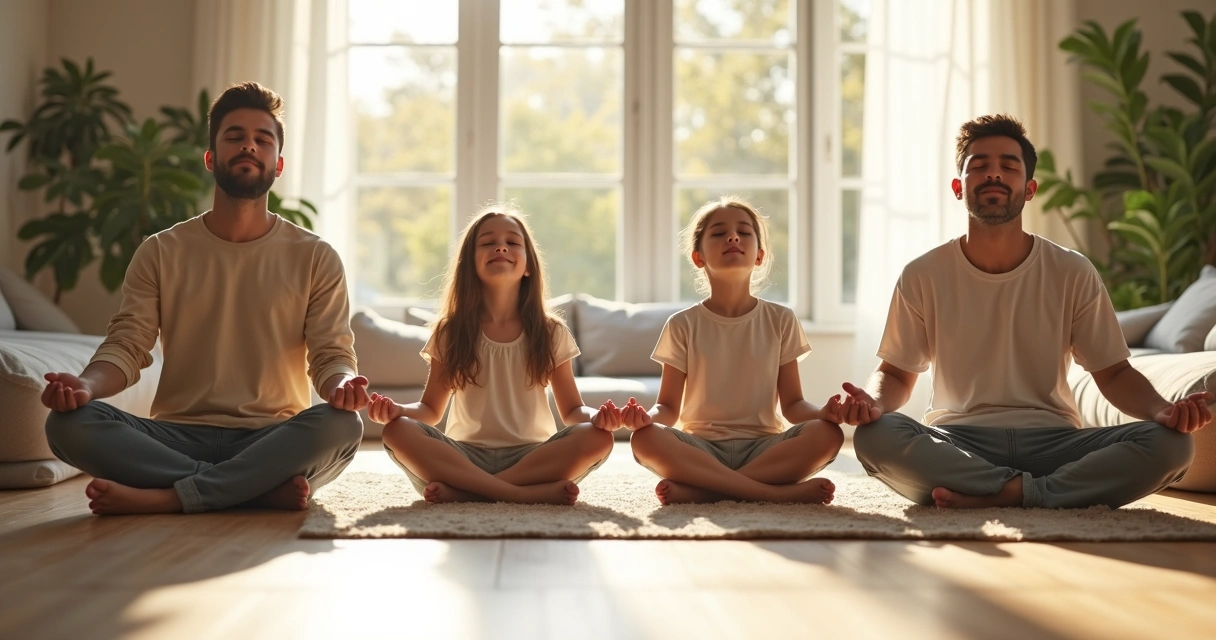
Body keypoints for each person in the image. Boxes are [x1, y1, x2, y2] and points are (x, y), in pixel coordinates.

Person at [837, 114, 1211, 509]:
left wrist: (1163, 409)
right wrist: (873, 403)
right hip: (959, 441)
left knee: (1172, 445)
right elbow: (895, 374)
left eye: (1008, 166)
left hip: (1055, 440)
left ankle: (999, 495)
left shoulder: (1072, 270)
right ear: (958, 187)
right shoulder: (923, 274)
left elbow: (1114, 372)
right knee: (876, 435)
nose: (993, 174)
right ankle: (1043, 494)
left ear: (1029, 189)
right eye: (978, 166)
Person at [42, 82, 368, 515]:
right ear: (211, 159)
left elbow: (330, 355)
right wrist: (84, 386)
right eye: (234, 136)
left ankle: (168, 496)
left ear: (278, 163)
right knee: (68, 425)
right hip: (176, 434)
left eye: (262, 139)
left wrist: (343, 385)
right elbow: (127, 346)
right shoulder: (160, 250)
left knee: (342, 424)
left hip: (272, 436)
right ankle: (251, 491)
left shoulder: (316, 256)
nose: (248, 146)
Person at [367, 205, 615, 505]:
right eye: (487, 242)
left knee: (597, 437)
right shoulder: (450, 331)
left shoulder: (552, 331)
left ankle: (468, 493)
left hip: (532, 456)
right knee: (398, 432)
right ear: (469, 264)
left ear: (528, 266)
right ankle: (517, 494)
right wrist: (397, 411)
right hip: (464, 457)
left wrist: (599, 417)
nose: (501, 246)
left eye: (512, 242)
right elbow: (430, 411)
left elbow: (573, 412)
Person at [621, 196, 845, 505]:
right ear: (698, 257)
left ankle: (707, 492)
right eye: (718, 233)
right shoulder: (682, 324)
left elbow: (793, 404)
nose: (733, 237)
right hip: (701, 448)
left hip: (765, 447)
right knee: (645, 439)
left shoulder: (781, 319)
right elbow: (668, 409)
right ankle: (770, 493)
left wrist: (825, 414)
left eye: (744, 231)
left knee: (829, 434)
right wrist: (645, 417)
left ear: (759, 256)